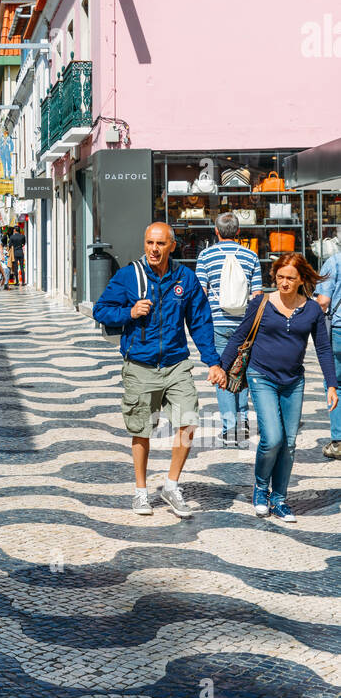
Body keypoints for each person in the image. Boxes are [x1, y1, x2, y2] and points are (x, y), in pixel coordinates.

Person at [92, 223, 226, 518]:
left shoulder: (185, 278)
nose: (154, 248)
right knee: (141, 431)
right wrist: (129, 312)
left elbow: (201, 322)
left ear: (172, 246)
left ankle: (171, 485)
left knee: (188, 423)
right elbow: (100, 309)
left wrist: (213, 361)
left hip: (176, 363)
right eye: (149, 242)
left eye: (160, 243)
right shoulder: (129, 275)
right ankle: (141, 492)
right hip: (140, 365)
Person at [219, 253, 337, 522]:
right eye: (280, 277)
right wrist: (220, 367)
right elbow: (239, 335)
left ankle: (280, 499)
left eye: (290, 278)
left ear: (301, 280)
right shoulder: (262, 303)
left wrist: (332, 384)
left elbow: (323, 348)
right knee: (272, 438)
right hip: (262, 377)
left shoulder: (311, 310)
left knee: (290, 443)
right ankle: (261, 489)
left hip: (294, 381)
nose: (283, 283)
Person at [195, 212, 262, 446]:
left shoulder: (205, 256)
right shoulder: (251, 256)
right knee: (241, 372)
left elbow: (200, 293)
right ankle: (243, 423)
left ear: (216, 231)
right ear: (238, 232)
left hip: (217, 323)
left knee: (221, 373)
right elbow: (257, 296)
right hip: (244, 326)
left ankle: (229, 428)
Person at [315, 235, 341, 459]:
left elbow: (323, 301)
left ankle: (338, 442)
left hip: (340, 330)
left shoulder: (334, 262)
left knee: (335, 383)